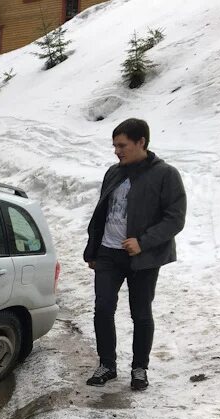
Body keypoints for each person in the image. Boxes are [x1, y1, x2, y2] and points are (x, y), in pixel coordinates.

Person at [84, 118, 186, 391]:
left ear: (141, 142)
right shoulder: (114, 172)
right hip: (108, 252)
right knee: (103, 308)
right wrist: (93, 250)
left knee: (140, 313)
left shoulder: (166, 174)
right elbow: (101, 214)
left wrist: (143, 242)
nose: (117, 151)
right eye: (115, 145)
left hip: (143, 257)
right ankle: (107, 364)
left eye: (122, 145)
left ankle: (139, 368)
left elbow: (175, 218)